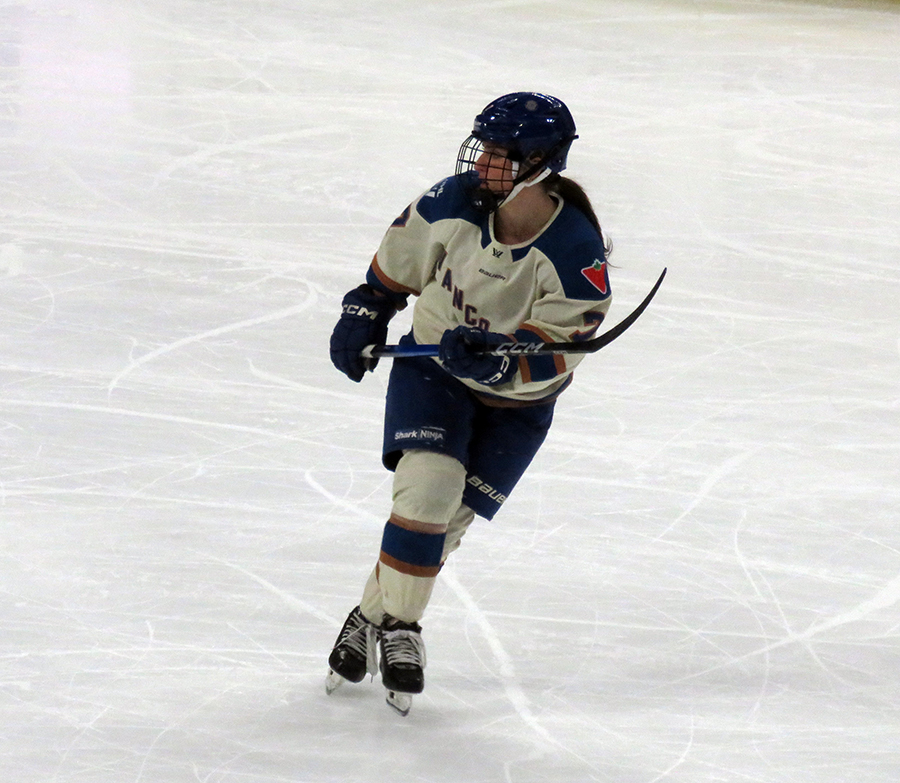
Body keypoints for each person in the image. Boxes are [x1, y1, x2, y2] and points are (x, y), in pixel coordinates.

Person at [326, 92, 613, 713]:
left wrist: (504, 355)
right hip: (432, 373)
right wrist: (365, 309)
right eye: (482, 145)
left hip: (517, 406)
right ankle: (403, 629)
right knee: (427, 494)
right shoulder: (451, 201)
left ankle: (368, 617)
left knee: (442, 526)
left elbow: (558, 354)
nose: (483, 160)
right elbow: (393, 272)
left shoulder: (576, 253)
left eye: (502, 153)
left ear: (541, 163)